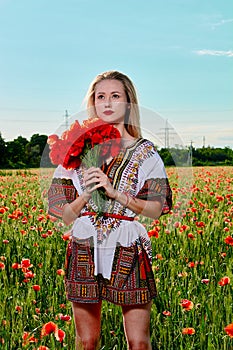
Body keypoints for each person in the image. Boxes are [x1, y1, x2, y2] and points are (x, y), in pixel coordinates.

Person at [48, 70, 172, 350]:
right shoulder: (75, 150)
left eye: (115, 96)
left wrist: (118, 194)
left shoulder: (146, 151)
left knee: (139, 342)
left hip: (128, 243)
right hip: (84, 243)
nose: (107, 102)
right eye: (100, 96)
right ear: (93, 102)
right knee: (87, 340)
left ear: (129, 103)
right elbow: (63, 214)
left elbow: (156, 208)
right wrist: (86, 196)